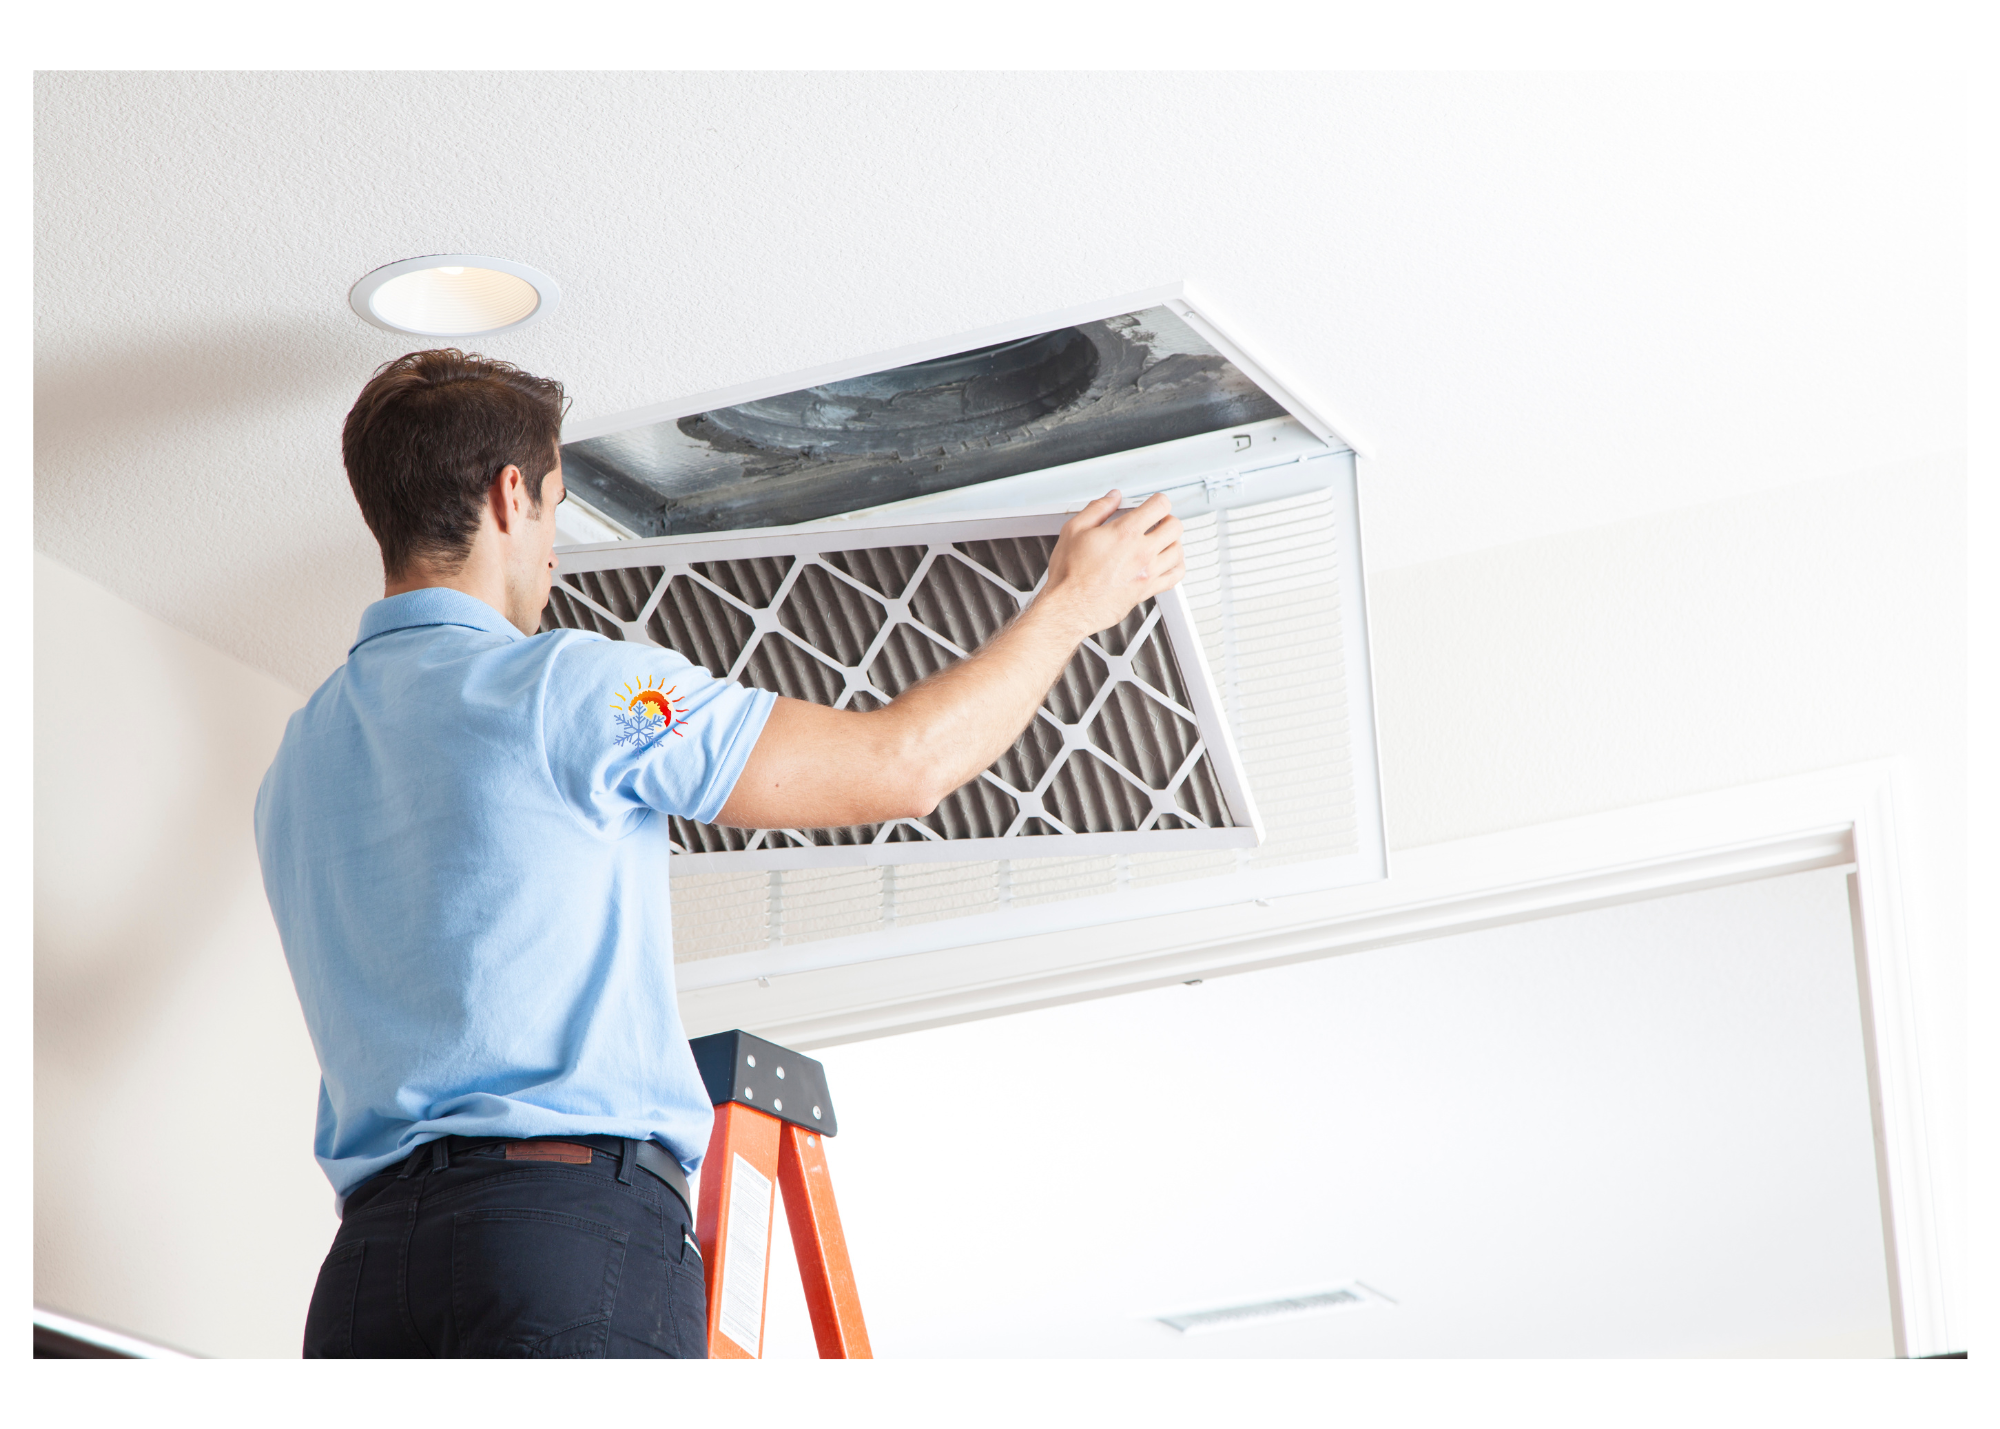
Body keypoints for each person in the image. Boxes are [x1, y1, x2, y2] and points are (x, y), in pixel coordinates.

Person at [256, 348, 1184, 1358]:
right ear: (510, 494)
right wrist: (1070, 606)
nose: (555, 549)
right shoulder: (579, 687)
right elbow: (902, 765)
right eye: (557, 506)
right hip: (554, 1240)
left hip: (364, 1282)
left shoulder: (298, 760)